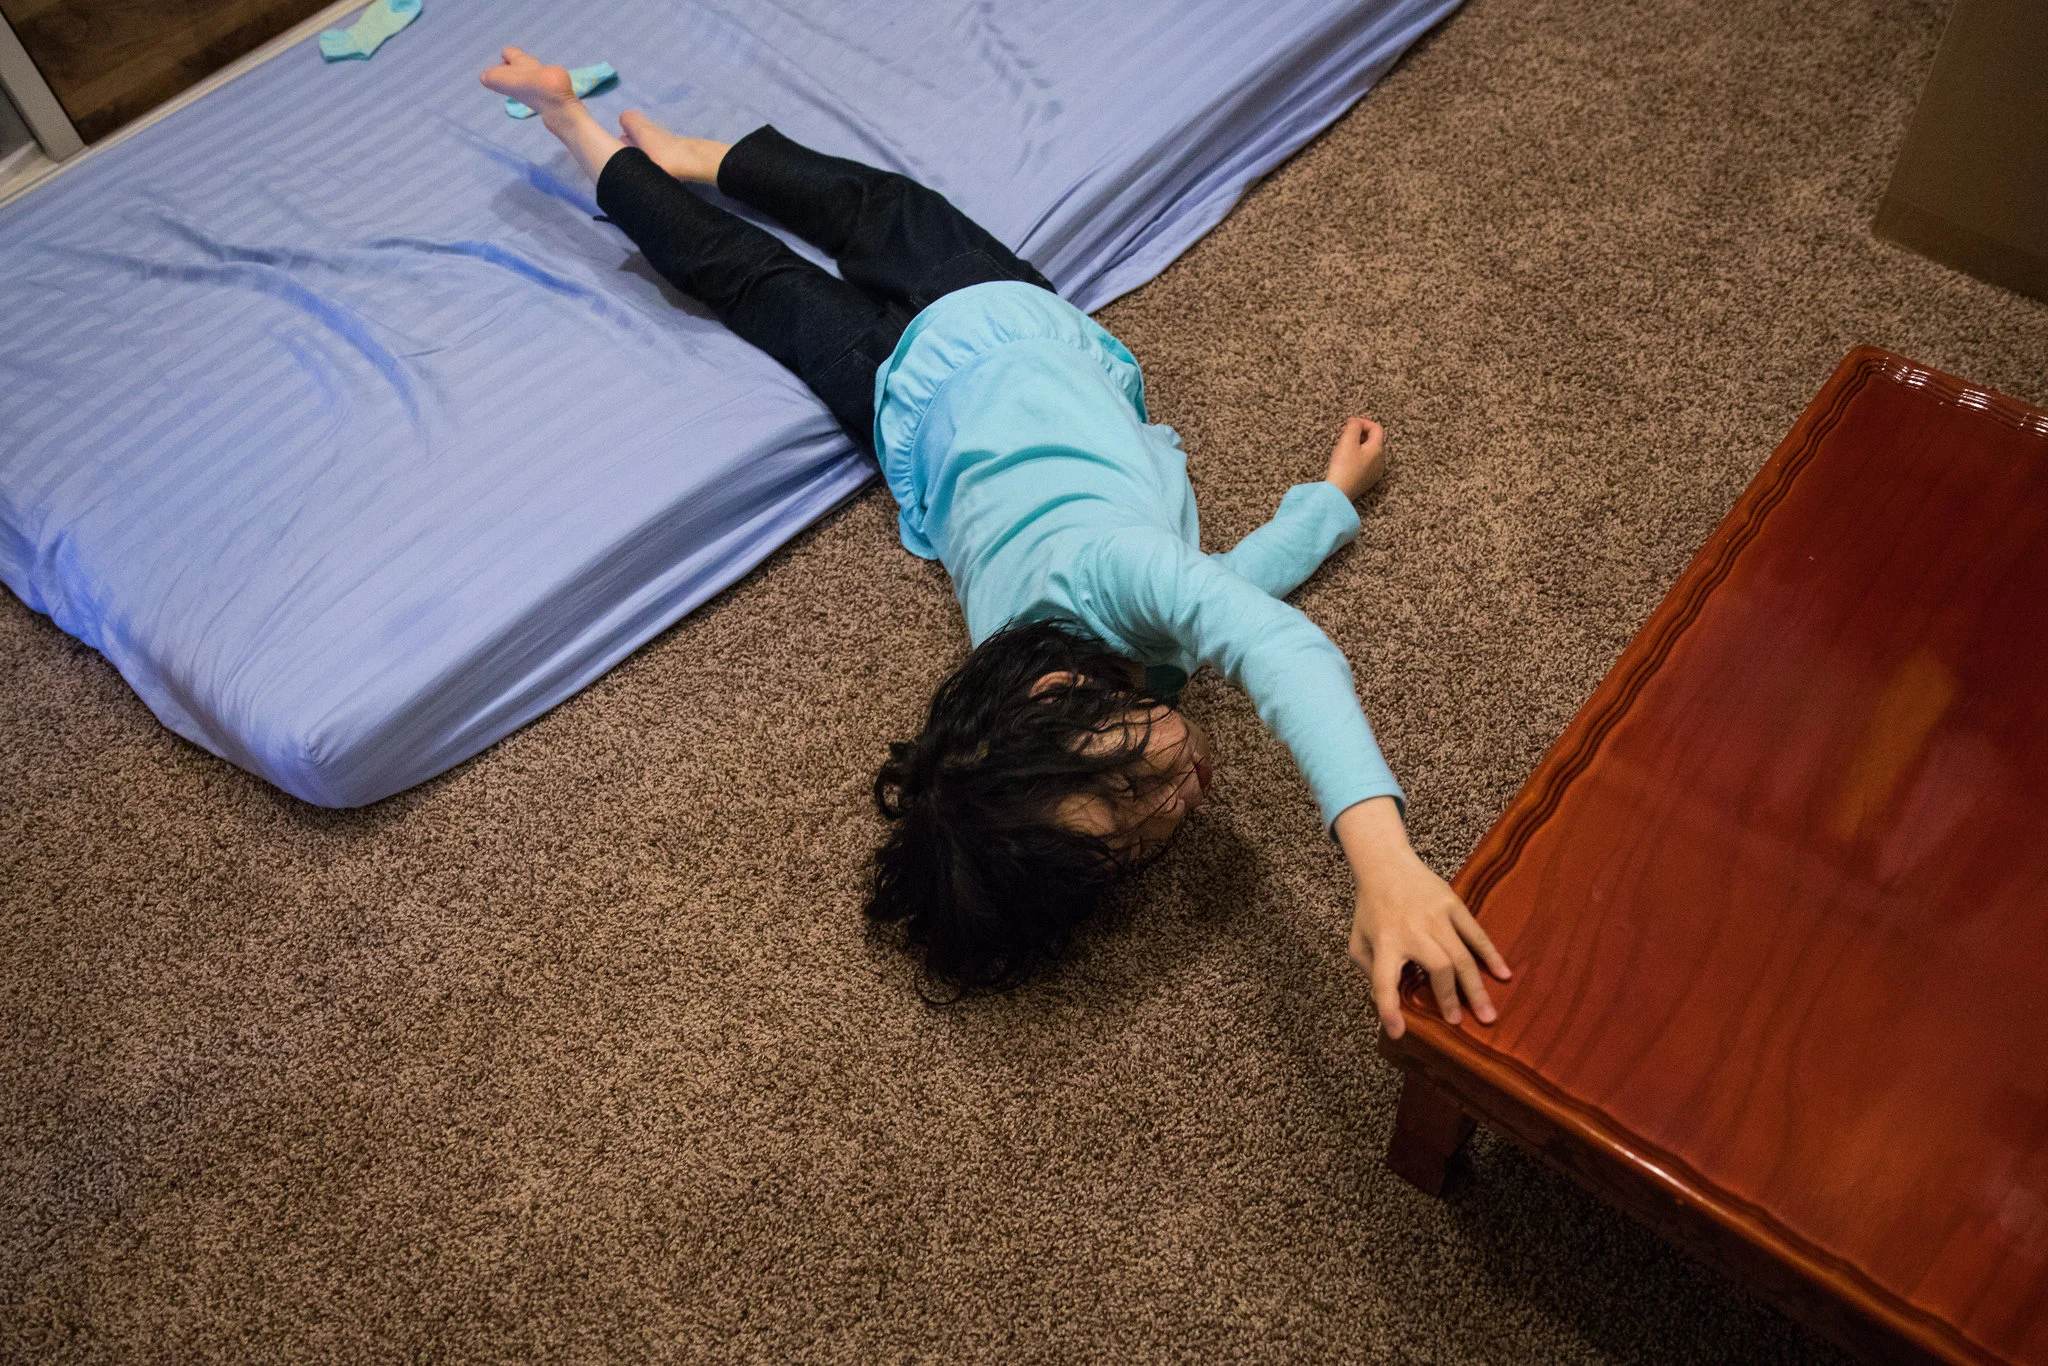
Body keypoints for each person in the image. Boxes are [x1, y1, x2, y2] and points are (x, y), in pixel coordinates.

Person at [479, 50, 1512, 1033]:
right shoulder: (1047, 675)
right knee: (754, 277)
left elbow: (1272, 644)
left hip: (989, 321)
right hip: (912, 424)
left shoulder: (1105, 577)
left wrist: (1382, 860)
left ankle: (686, 154)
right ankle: (570, 118)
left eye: (1128, 785)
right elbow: (1227, 589)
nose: (1171, 801)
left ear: (1053, 697)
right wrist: (1323, 504)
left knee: (855, 216)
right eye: (1128, 839)